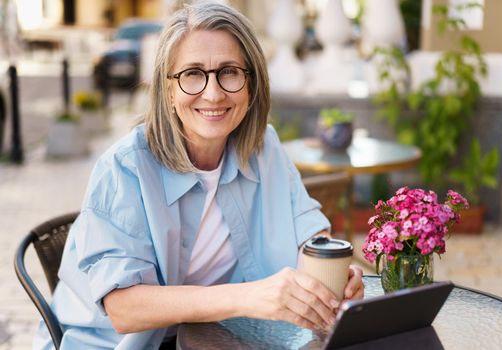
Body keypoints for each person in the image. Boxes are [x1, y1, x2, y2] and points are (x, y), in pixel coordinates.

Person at [34, 2, 364, 349]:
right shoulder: (124, 168)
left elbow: (310, 234)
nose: (213, 92)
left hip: (221, 338)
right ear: (169, 90)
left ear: (251, 83)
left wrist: (331, 277)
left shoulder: (264, 148)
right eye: (192, 73)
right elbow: (123, 308)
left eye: (230, 71)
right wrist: (250, 297)